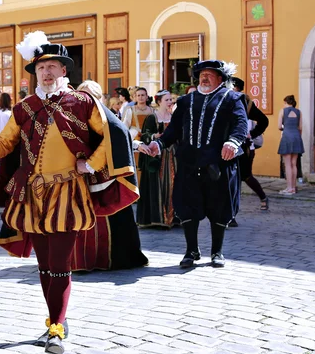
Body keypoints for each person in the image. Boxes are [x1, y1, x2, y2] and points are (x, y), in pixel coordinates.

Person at [0, 32, 138, 354]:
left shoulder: (84, 103)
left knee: (59, 263)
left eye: (53, 67)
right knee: (45, 265)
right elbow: (4, 142)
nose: (46, 73)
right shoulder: (25, 107)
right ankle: (56, 316)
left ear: (64, 72)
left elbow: (112, 136)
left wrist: (92, 164)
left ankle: (55, 329)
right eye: (41, 67)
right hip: (33, 197)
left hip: (68, 194)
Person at [142, 60, 248, 268]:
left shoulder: (232, 98)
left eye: (210, 74)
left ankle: (217, 251)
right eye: (201, 74)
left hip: (219, 164)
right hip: (189, 163)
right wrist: (159, 143)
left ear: (221, 78)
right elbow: (173, 130)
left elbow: (241, 124)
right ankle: (191, 251)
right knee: (187, 206)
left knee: (219, 207)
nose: (204, 78)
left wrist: (233, 142)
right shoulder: (186, 101)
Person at [72, 80, 149, 271]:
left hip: (108, 176)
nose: (86, 100)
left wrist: (90, 165)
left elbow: (117, 137)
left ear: (100, 98)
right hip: (80, 177)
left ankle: (117, 258)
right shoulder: (74, 119)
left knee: (115, 216)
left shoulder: (108, 118)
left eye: (91, 95)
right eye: (82, 95)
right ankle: (82, 259)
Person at [137, 90, 177, 228]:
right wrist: (154, 136)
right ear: (159, 102)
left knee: (173, 185)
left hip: (173, 157)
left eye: (171, 99)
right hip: (157, 156)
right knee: (158, 185)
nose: (170, 102)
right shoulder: (152, 118)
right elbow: (144, 135)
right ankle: (158, 217)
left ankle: (173, 217)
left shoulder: (174, 117)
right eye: (167, 100)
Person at [231, 77, 269, 210]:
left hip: (244, 147)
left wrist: (251, 134)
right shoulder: (221, 100)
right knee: (230, 177)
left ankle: (263, 196)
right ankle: (231, 211)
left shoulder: (246, 103)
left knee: (246, 176)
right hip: (225, 146)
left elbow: (263, 121)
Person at [277, 94, 304, 195]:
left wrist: (286, 128)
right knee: (294, 164)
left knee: (287, 164)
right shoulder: (299, 112)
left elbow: (279, 126)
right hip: (297, 137)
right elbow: (300, 127)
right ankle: (293, 187)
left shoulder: (282, 111)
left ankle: (289, 188)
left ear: (285, 102)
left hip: (287, 137)